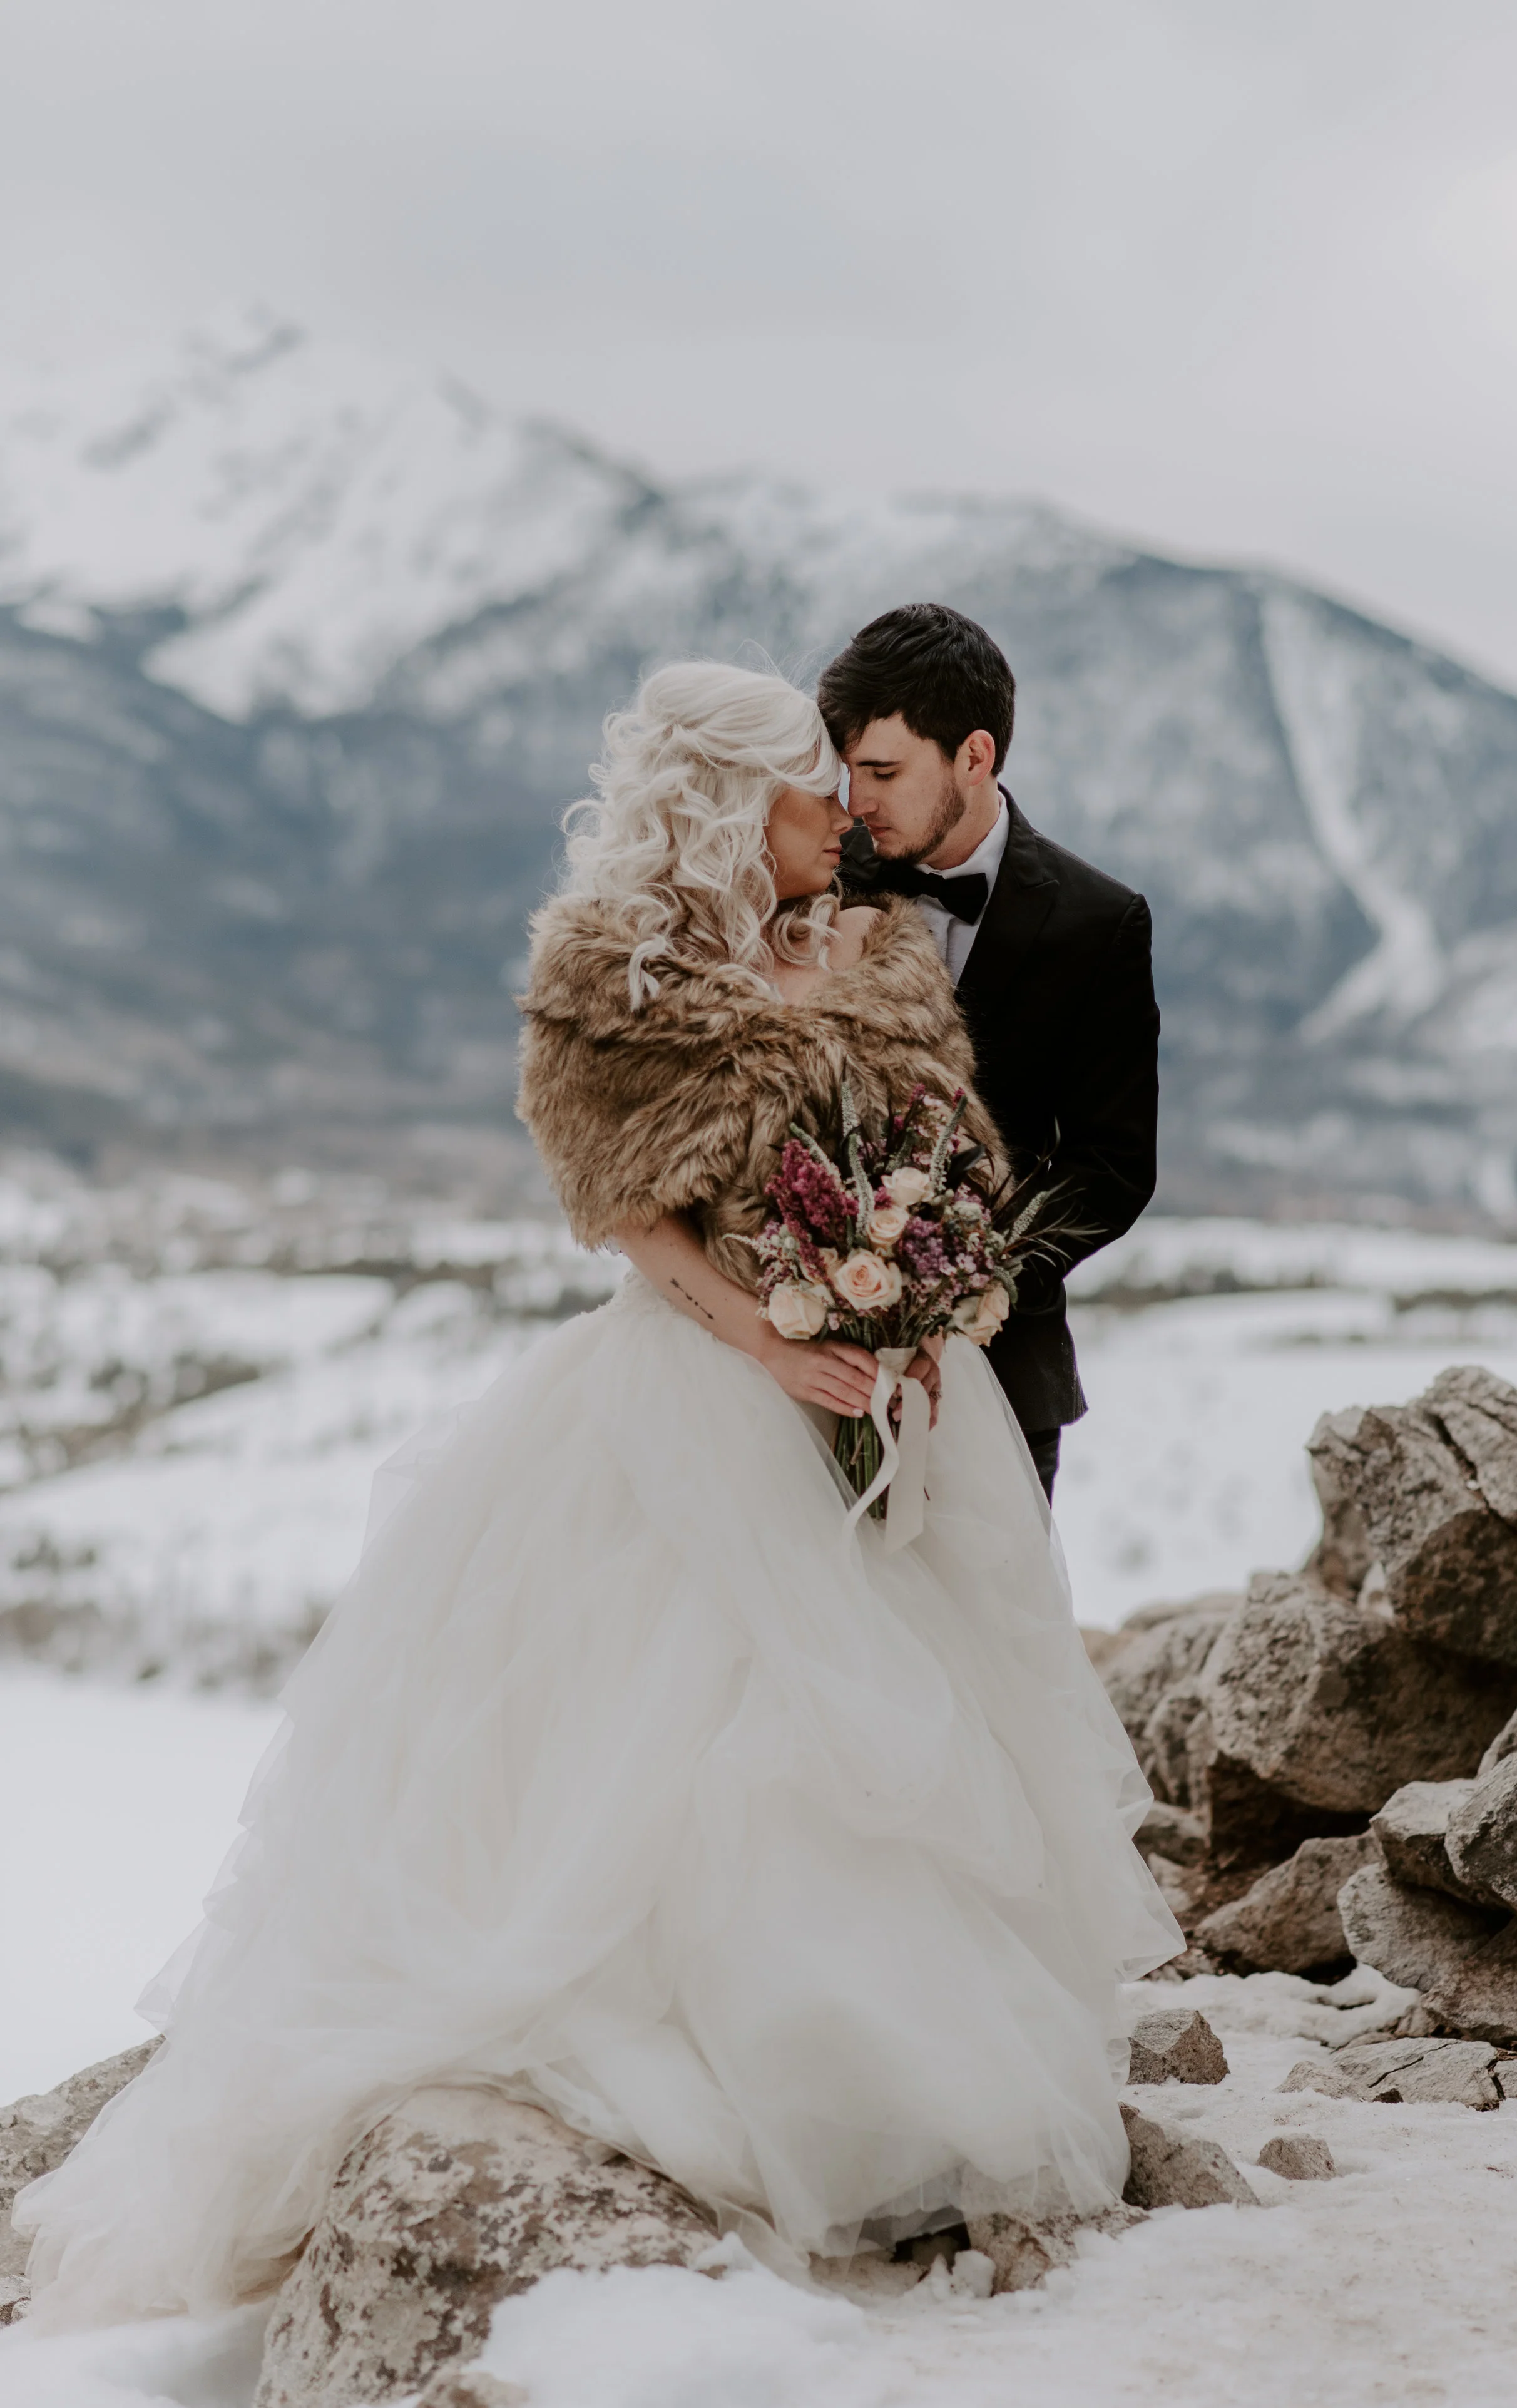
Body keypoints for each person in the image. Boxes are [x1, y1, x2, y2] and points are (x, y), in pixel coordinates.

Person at [16, 664, 1177, 2331]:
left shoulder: (874, 945)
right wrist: (766, 1336)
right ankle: (721, 2084)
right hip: (694, 1394)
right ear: (734, 805)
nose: (843, 816)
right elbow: (619, 1204)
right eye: (814, 787)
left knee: (903, 1729)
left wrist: (917, 1305)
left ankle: (910, 2091)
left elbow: (946, 1160)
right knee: (693, 1741)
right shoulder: (611, 969)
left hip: (890, 1405)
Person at [821, 604, 1160, 1502]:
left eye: (883, 771)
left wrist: (957, 1285)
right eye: (847, 772)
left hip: (1004, 1378)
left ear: (975, 756)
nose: (856, 802)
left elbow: (1112, 1166)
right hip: (814, 1368)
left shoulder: (1101, 922)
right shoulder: (814, 878)